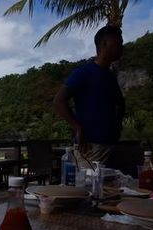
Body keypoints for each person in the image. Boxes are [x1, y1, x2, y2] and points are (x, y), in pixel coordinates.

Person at [53, 26, 125, 169]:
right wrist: (78, 128)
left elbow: (120, 104)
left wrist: (116, 126)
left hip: (111, 146)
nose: (121, 47)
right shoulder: (84, 73)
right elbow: (59, 101)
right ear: (104, 44)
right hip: (90, 147)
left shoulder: (110, 76)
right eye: (118, 43)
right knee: (89, 188)